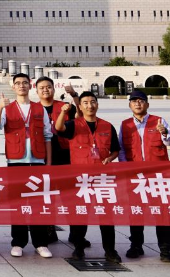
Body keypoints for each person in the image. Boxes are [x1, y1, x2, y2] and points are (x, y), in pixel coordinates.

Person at [54, 92, 121, 263]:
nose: (89, 105)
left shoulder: (107, 126)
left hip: (102, 178)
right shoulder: (73, 124)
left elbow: (115, 149)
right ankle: (78, 248)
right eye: (85, 102)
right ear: (80, 106)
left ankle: (110, 250)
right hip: (80, 179)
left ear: (97, 105)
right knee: (80, 214)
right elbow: (59, 128)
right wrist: (63, 111)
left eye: (93, 102)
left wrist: (110, 158)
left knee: (106, 215)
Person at [0, 73, 53, 259]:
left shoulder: (38, 108)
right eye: (17, 83)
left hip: (37, 161)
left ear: (30, 85)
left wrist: (48, 164)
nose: (21, 86)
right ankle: (18, 242)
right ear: (13, 87)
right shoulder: (8, 108)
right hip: (16, 162)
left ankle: (40, 243)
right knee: (17, 203)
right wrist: (0, 107)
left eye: (25, 83)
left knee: (37, 203)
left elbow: (48, 136)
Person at [118, 90, 170, 262]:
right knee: (136, 212)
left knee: (162, 212)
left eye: (141, 101)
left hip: (158, 175)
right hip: (136, 176)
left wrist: (164, 132)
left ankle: (165, 249)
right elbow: (121, 148)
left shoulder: (159, 121)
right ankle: (136, 245)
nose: (138, 104)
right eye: (134, 101)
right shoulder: (125, 124)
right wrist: (125, 169)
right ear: (129, 105)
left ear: (147, 104)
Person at [35, 77, 81, 245]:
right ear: (37, 90)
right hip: (42, 156)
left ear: (54, 89)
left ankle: (76, 234)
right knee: (47, 196)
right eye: (42, 87)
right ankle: (49, 230)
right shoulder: (33, 109)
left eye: (48, 87)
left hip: (64, 154)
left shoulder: (63, 107)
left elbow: (81, 115)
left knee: (70, 195)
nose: (45, 90)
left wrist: (74, 95)